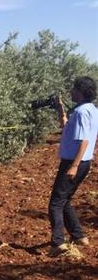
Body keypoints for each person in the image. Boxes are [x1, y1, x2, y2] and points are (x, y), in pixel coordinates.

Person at [48, 76, 97, 257]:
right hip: (84, 161)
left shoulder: (82, 112)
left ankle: (58, 243)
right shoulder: (91, 109)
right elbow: (67, 127)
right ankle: (79, 236)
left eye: (74, 89)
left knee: (55, 203)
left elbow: (84, 141)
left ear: (81, 91)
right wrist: (60, 109)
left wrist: (74, 165)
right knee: (65, 199)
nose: (71, 92)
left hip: (74, 162)